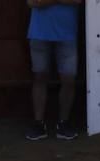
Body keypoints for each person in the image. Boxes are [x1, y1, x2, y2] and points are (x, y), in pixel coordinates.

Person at [25, 0, 83, 141]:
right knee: (40, 77)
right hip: (40, 33)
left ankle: (63, 123)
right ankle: (39, 123)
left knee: (68, 80)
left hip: (66, 34)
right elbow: (32, 2)